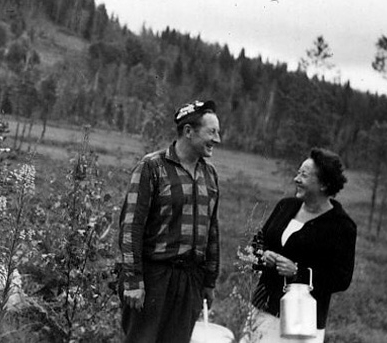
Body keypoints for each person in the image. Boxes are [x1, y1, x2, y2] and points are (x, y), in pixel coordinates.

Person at [117, 100, 222, 343]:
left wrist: (209, 281)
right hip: (154, 277)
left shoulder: (210, 174)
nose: (217, 139)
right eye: (211, 132)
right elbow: (131, 227)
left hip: (190, 281)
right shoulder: (152, 167)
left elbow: (212, 231)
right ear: (188, 131)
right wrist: (133, 280)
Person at [242, 148, 357, 343]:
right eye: (298, 173)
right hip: (263, 310)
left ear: (324, 184)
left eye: (304, 175)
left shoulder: (341, 226)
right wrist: (264, 256)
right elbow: (257, 244)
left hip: (302, 324)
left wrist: (298, 272)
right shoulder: (285, 206)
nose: (296, 179)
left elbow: (341, 278)